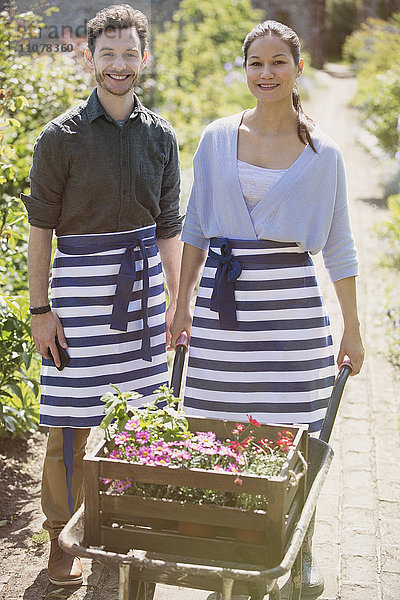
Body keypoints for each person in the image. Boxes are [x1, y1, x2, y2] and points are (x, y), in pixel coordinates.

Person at [171, 20, 364, 598]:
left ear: (298, 68)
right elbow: (197, 229)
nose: (266, 73)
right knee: (219, 431)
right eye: (256, 62)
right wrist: (180, 306)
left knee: (294, 436)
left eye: (278, 62)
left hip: (293, 316)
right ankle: (231, 545)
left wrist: (352, 328)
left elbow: (341, 245)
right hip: (223, 313)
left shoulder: (322, 154)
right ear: (245, 68)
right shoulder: (214, 138)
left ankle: (300, 547)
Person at [21, 4, 182, 586]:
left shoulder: (162, 136)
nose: (119, 64)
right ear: (88, 58)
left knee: (139, 420)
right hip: (77, 295)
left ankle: (125, 530)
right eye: (107, 53)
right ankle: (63, 541)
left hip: (142, 296)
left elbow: (169, 228)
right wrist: (41, 310)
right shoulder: (58, 138)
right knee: (70, 421)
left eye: (130, 53)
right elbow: (41, 231)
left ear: (145, 57)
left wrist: (174, 303)